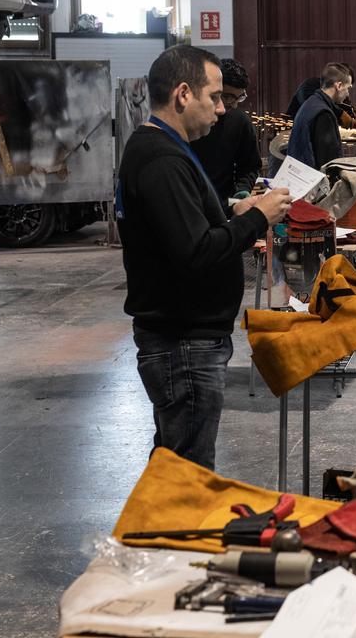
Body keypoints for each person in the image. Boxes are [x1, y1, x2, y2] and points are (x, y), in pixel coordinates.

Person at [117, 45, 292, 470]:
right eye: (214, 97)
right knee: (189, 475)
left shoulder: (164, 148)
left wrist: (232, 212)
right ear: (182, 94)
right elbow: (195, 253)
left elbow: (185, 227)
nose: (220, 109)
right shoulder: (160, 158)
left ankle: (163, 531)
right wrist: (258, 220)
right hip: (183, 343)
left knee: (176, 466)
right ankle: (173, 535)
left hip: (187, 339)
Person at [189, 58, 262, 203]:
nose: (233, 105)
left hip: (225, 206)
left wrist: (242, 190)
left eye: (239, 98)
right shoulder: (190, 123)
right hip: (191, 204)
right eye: (227, 96)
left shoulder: (240, 122)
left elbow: (250, 167)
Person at [285, 62, 353, 171]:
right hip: (311, 181)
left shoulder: (312, 103)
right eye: (348, 88)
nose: (348, 94)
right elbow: (329, 164)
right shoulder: (324, 114)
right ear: (339, 86)